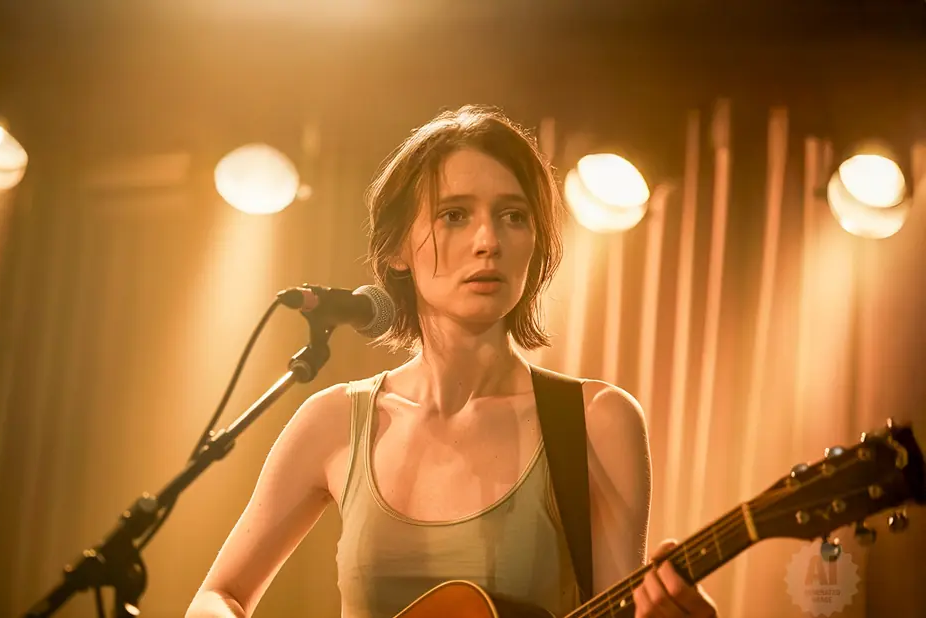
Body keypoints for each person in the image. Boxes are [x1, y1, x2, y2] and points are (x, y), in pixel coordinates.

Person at [186, 105, 718, 618]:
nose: (487, 241)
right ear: (396, 248)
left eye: (513, 216)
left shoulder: (596, 420)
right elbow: (218, 595)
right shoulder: (333, 421)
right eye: (454, 215)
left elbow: (621, 609)